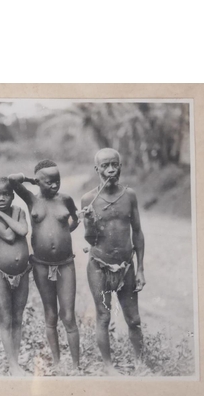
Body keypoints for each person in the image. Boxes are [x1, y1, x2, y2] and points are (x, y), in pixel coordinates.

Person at [8, 160, 80, 371]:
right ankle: (57, 362)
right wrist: (32, 180)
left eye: (57, 180)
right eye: (48, 181)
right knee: (51, 314)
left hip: (66, 264)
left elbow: (75, 219)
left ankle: (76, 366)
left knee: (68, 316)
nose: (54, 185)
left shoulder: (65, 199)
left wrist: (63, 235)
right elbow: (12, 180)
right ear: (39, 182)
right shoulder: (32, 199)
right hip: (40, 265)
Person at [79, 148, 146, 375]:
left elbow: (137, 232)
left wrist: (141, 270)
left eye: (114, 165)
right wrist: (88, 221)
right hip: (99, 266)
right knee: (104, 316)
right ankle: (109, 367)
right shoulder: (88, 199)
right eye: (105, 166)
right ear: (96, 169)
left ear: (120, 167)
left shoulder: (130, 196)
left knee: (134, 319)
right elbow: (89, 239)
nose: (110, 170)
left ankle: (140, 364)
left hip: (126, 266)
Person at [0, 177, 30, 376]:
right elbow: (10, 236)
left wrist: (2, 216)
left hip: (22, 273)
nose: (1, 198)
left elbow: (22, 230)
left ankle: (16, 361)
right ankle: (12, 364)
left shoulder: (18, 211)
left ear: (12, 195)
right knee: (6, 318)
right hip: (1, 275)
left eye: (5, 194)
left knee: (18, 318)